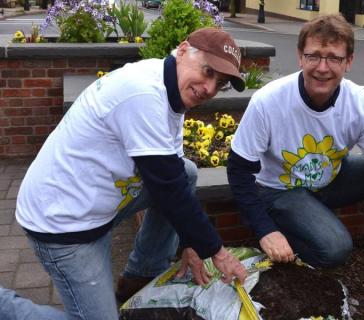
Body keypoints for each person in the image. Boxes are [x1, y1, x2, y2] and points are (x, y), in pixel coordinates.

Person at [11, 27, 247, 320]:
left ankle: (140, 276)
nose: (210, 89)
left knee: (185, 172)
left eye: (220, 83)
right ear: (183, 50)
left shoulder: (171, 87)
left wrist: (190, 243)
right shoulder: (143, 93)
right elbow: (168, 186)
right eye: (208, 71)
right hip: (62, 224)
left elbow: (173, 174)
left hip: (95, 202)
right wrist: (217, 252)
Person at [227, 15, 364, 320]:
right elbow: (238, 171)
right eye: (314, 55)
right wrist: (265, 231)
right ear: (300, 56)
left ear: (349, 61)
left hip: (331, 180)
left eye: (333, 57)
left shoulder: (359, 103)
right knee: (335, 249)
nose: (323, 67)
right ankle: (286, 235)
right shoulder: (269, 101)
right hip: (280, 190)